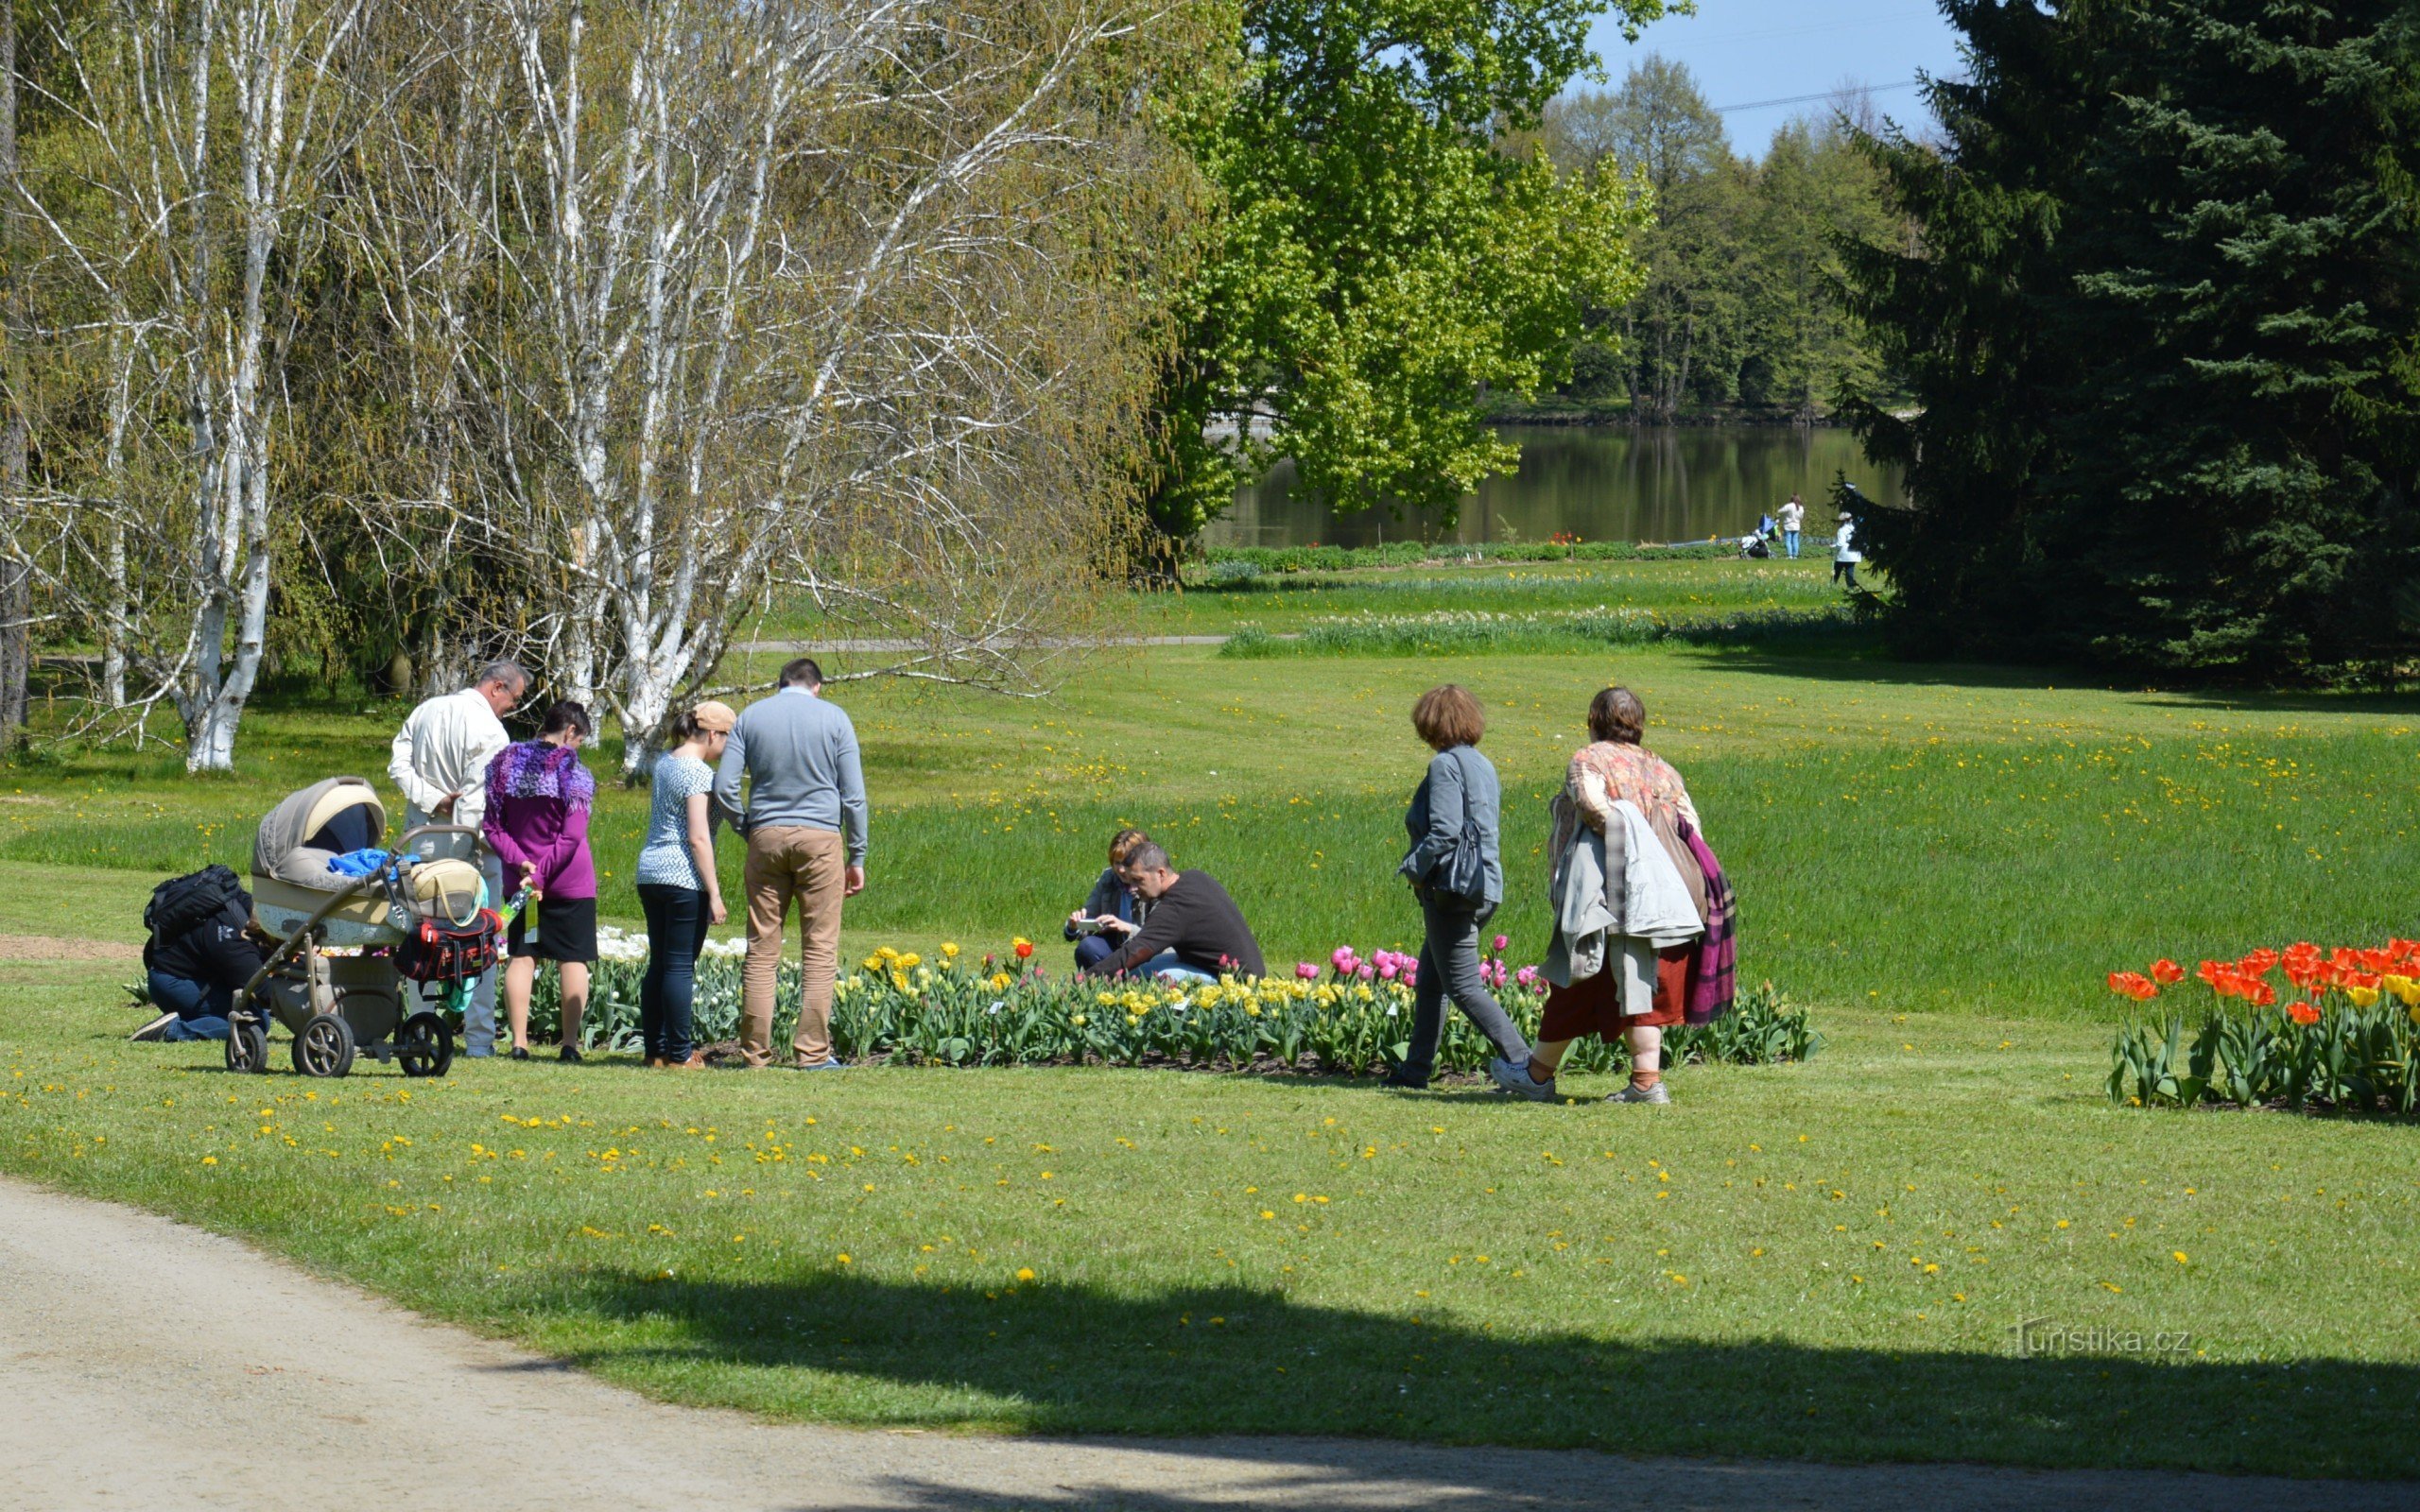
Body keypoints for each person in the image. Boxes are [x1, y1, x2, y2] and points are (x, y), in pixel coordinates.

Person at [1496, 686, 1705, 1105]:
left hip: (1608, 894)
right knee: (1641, 981)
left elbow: (1593, 807)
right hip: (1662, 897)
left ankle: (1537, 1076)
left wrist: (1633, 841)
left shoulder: (1587, 760)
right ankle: (1645, 1082)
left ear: (1594, 720)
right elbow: (1691, 828)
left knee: (1580, 976)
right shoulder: (1663, 769)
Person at [714, 656, 868, 1071]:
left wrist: (747, 827)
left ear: (780, 683)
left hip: (766, 834)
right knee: (819, 948)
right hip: (820, 838)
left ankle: (754, 1054)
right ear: (817, 686)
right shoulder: (835, 718)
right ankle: (812, 1053)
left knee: (762, 949)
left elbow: (725, 786)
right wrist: (858, 854)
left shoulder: (750, 716)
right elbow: (853, 796)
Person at [1390, 685, 1532, 1091]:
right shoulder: (1484, 764)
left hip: (1454, 891)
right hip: (1486, 885)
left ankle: (1526, 1065)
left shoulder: (1444, 766)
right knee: (1433, 980)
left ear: (1430, 724)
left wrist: (1414, 869)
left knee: (1464, 987)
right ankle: (1414, 1071)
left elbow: (1445, 833)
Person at [389, 661, 526, 1056]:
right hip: (468, 852)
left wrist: (431, 800)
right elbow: (475, 798)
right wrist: (475, 851)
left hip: (423, 842)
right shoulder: (490, 730)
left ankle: (420, 1026)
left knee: (422, 934)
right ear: (497, 687)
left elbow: (397, 765)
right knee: (479, 939)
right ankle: (480, 1039)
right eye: (512, 700)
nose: (510, 709)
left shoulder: (426, 710)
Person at [484, 700, 599, 1062]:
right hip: (568, 883)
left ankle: (519, 1043)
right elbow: (572, 836)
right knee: (573, 959)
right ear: (570, 732)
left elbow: (492, 827)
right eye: (580, 740)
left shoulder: (503, 763)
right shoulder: (574, 772)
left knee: (522, 955)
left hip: (521, 885)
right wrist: (543, 874)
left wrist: (523, 866)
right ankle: (568, 1045)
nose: (578, 748)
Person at [634, 700, 738, 1069]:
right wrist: (715, 893)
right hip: (682, 876)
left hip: (650, 872)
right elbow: (698, 837)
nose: (728, 749)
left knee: (659, 964)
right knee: (679, 967)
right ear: (713, 734)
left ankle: (656, 1051)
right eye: (728, 739)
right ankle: (680, 1054)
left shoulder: (665, 761)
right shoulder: (697, 772)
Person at [1082, 843, 1264, 983]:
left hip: (1235, 981)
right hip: (1244, 970)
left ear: (1160, 873)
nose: (1134, 889)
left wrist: (1088, 978)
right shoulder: (1194, 877)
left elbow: (1136, 951)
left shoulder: (1175, 907)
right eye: (1131, 882)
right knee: (1139, 969)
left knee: (1138, 976)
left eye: (1138, 880)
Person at [134, 881, 267, 1043]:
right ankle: (171, 1030)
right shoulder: (235, 941)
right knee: (255, 1023)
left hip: (188, 973)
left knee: (258, 1014)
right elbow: (263, 991)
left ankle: (192, 1019)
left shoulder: (244, 907)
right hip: (174, 982)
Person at [1065, 827, 1150, 971]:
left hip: (1148, 949)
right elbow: (1090, 916)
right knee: (1087, 947)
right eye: (1117, 863)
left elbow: (1161, 939)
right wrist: (1075, 925)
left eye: (1126, 863)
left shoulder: (1154, 884)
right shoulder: (1108, 878)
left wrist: (1127, 928)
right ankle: (1102, 988)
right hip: (1118, 945)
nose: (1121, 870)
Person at [1833, 507, 1861, 588]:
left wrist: (1834, 546)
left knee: (1836, 571)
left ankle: (1832, 585)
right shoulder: (1855, 528)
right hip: (1853, 553)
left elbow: (1841, 543)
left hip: (1843, 554)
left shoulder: (1842, 529)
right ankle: (1851, 588)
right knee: (1850, 572)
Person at [1779, 493, 1806, 558]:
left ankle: (1790, 555)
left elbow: (1780, 511)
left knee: (1788, 540)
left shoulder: (1789, 506)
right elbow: (1801, 517)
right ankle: (1795, 555)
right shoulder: (1801, 508)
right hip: (1796, 526)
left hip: (1788, 525)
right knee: (1795, 541)